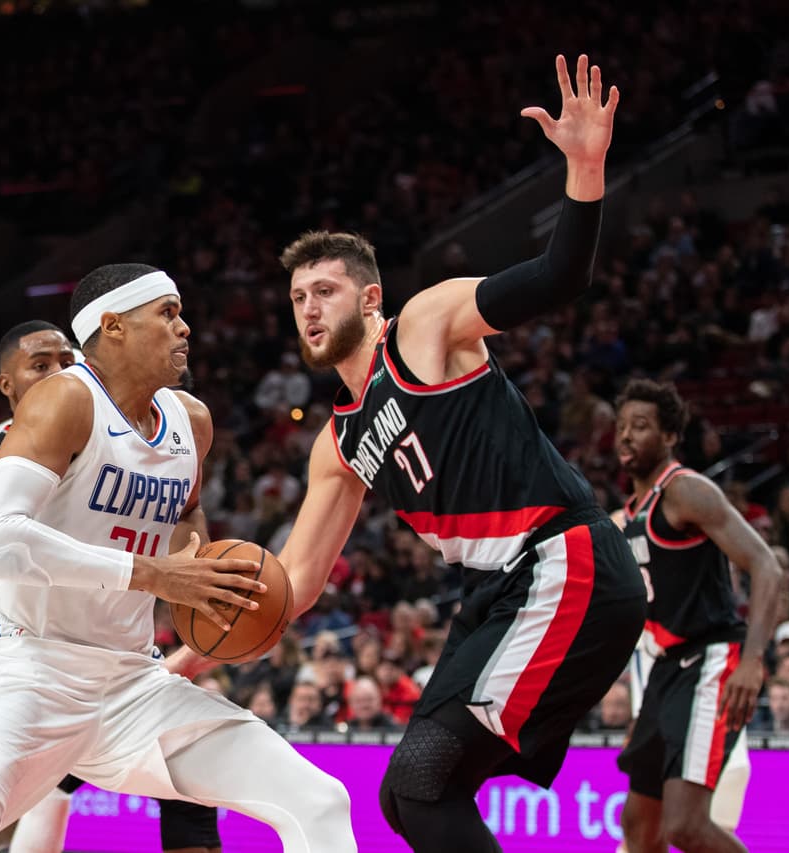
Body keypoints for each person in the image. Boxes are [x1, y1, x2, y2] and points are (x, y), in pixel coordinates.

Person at [182, 55, 648, 852]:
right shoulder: (337, 444)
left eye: (323, 290)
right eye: (297, 298)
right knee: (408, 798)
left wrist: (586, 169)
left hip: (563, 559)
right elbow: (288, 588)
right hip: (503, 590)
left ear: (370, 297)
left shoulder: (426, 327)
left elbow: (558, 276)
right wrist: (179, 663)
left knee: (423, 787)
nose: (308, 307)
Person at [0, 264, 355, 853]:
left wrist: (206, 580)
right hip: (27, 677)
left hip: (129, 681)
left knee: (320, 801)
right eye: (167, 314)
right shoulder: (65, 400)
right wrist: (152, 574)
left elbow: (186, 514)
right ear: (113, 326)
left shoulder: (190, 421)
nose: (185, 327)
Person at [0, 321, 223, 853]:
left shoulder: (105, 444)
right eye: (40, 366)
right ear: (7, 385)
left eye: (64, 361)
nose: (57, 373)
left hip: (65, 646)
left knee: (186, 762)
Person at [610, 380, 781, 853]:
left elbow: (767, 566)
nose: (626, 436)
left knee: (685, 826)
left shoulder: (685, 492)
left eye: (640, 426)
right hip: (666, 671)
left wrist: (753, 660)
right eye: (621, 427)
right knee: (638, 826)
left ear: (668, 437)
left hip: (711, 657)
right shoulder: (624, 517)